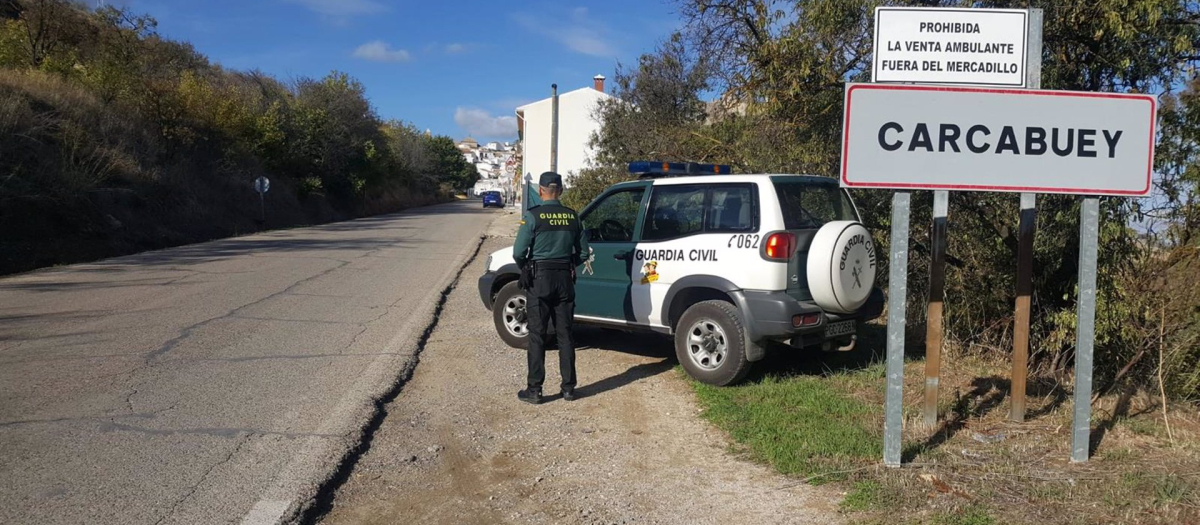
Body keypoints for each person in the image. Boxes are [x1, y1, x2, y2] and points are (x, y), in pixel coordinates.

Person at [512, 172, 590, 404]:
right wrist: (567, 265)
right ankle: (568, 389)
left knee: (537, 335)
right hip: (565, 278)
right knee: (565, 334)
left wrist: (526, 267)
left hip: (539, 279)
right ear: (562, 190)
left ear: (541, 190)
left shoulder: (533, 216)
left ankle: (534, 390)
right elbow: (584, 252)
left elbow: (518, 252)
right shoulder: (572, 217)